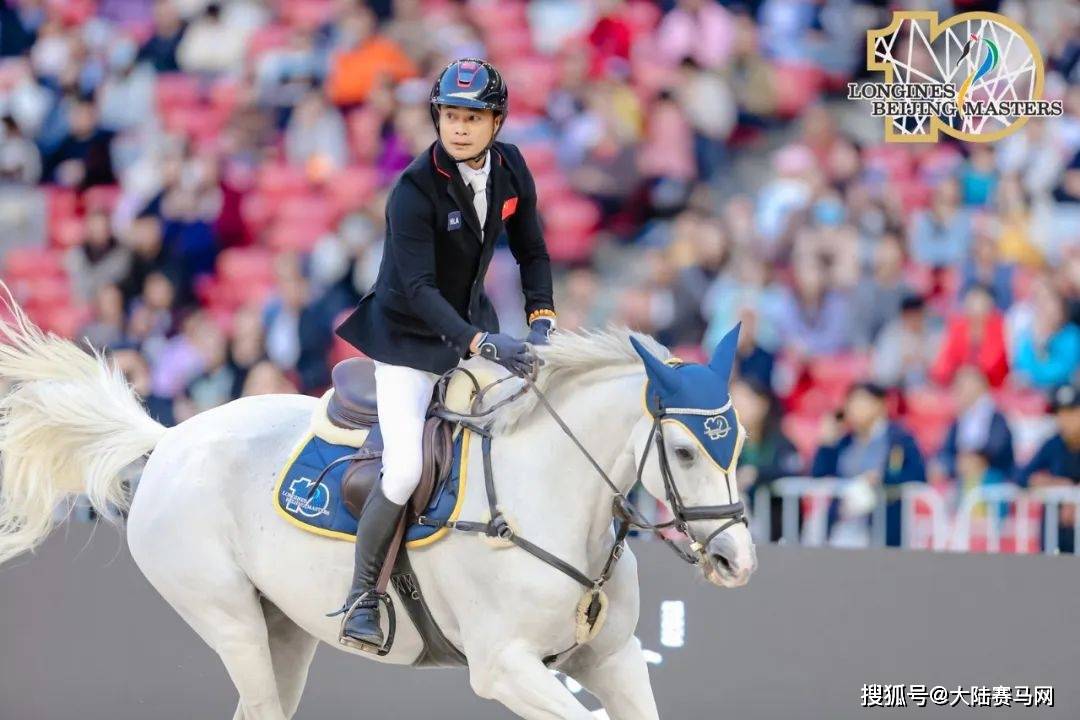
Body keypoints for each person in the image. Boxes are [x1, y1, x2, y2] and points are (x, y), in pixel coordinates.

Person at [330, 59, 557, 651]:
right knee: (404, 469)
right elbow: (418, 290)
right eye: (450, 116)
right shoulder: (413, 190)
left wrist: (542, 319)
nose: (458, 128)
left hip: (469, 327)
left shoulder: (511, 168)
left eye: (471, 118)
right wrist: (482, 343)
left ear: (496, 122)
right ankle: (363, 597)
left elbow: (532, 249)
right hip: (408, 340)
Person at [811, 382, 927, 547]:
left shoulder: (899, 440)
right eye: (851, 403)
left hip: (882, 526)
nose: (855, 409)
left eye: (862, 402)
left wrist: (882, 479)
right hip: (843, 524)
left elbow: (917, 474)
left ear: (880, 405)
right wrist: (826, 444)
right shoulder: (845, 441)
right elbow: (819, 474)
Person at [1017, 384, 1080, 553]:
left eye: (1071, 412)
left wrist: (1074, 495)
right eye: (1060, 413)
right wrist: (1050, 483)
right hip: (1055, 535)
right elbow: (1021, 475)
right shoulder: (1053, 444)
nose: (1064, 419)